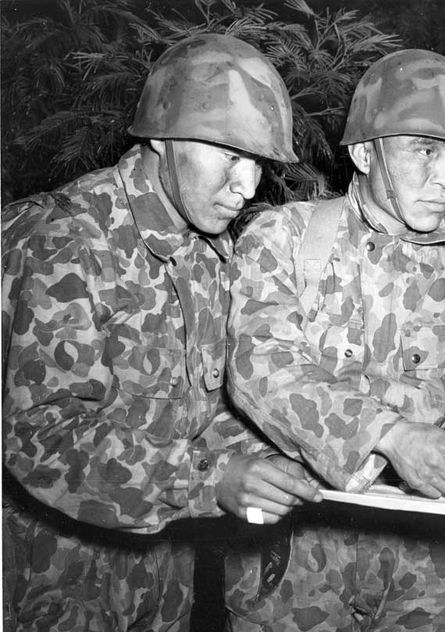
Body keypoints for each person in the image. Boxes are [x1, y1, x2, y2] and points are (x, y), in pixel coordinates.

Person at [2, 33, 321, 632]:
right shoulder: (68, 240)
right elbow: (39, 436)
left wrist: (281, 458)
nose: (248, 186)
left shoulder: (207, 252)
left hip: (162, 579)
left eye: (259, 164)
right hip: (55, 583)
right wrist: (212, 479)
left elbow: (205, 406)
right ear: (161, 135)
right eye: (230, 154)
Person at [225, 48, 445, 631]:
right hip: (297, 558)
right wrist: (389, 438)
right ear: (364, 152)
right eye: (425, 151)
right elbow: (260, 366)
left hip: (431, 565)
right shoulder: (284, 240)